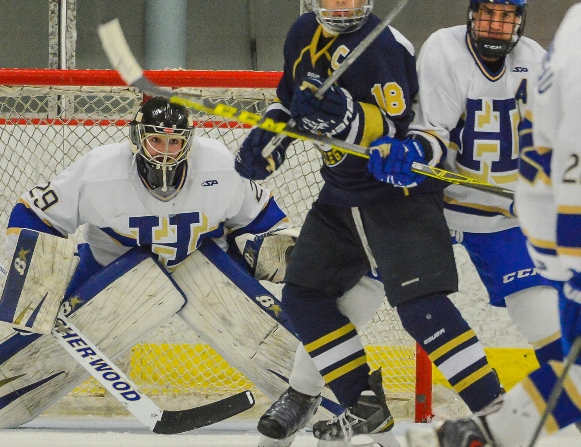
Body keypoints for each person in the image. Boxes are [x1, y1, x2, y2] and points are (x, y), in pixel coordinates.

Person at [236, 0, 503, 445]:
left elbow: (401, 128)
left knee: (422, 311)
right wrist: (272, 137)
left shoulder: (383, 46)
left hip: (400, 196)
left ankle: (497, 414)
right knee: (303, 297)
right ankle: (363, 406)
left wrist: (349, 118)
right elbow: (290, 101)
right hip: (341, 196)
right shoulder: (301, 33)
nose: (342, 6)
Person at [0, 97, 296, 429]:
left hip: (204, 261)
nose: (164, 150)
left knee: (274, 330)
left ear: (188, 142)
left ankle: (317, 393)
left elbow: (262, 219)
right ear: (136, 139)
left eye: (174, 142)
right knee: (41, 335)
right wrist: (37, 282)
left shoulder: (220, 165)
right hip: (111, 265)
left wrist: (277, 251)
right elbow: (35, 214)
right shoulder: (99, 171)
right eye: (156, 139)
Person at [407, 3, 581, 446]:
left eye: (506, 17)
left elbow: (551, 139)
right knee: (380, 286)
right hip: (434, 208)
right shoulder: (442, 50)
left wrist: (541, 198)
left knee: (556, 337)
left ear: (519, 22)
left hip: (504, 220)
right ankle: (324, 395)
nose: (496, 25)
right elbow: (433, 130)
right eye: (488, 13)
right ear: (471, 13)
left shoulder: (536, 58)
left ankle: (493, 429)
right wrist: (416, 153)